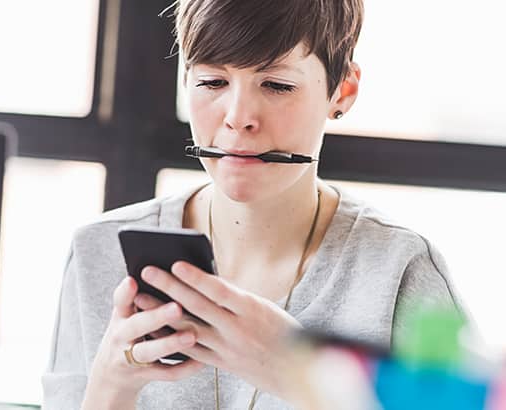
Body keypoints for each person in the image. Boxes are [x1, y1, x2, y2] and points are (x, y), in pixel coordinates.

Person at [42, 0, 465, 409]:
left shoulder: (399, 270)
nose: (238, 116)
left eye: (277, 85)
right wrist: (110, 387)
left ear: (343, 90)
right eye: (212, 82)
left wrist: (307, 377)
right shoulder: (97, 251)